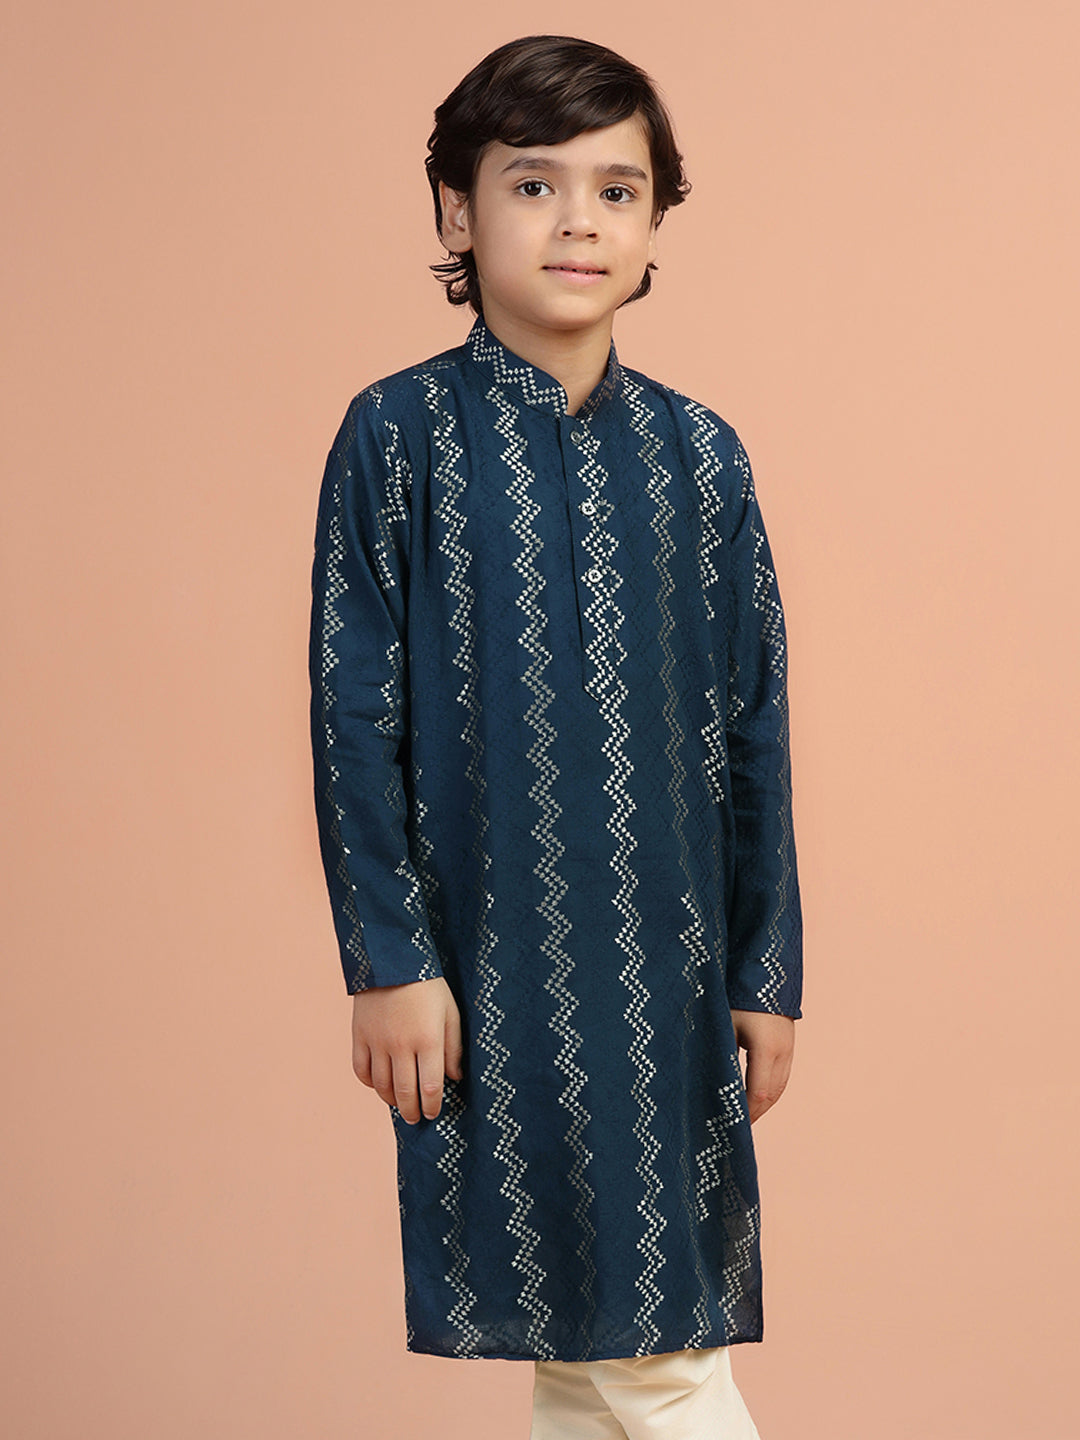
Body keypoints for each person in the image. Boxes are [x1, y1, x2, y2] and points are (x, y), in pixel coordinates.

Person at [308, 33, 803, 1439]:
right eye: (534, 185)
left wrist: (767, 968)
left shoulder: (702, 456)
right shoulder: (397, 437)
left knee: (606, 1359)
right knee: (638, 1351)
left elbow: (756, 727)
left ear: (654, 226)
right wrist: (390, 961)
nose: (579, 221)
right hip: (489, 963)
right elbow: (354, 716)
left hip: (672, 968)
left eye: (617, 191)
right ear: (457, 213)